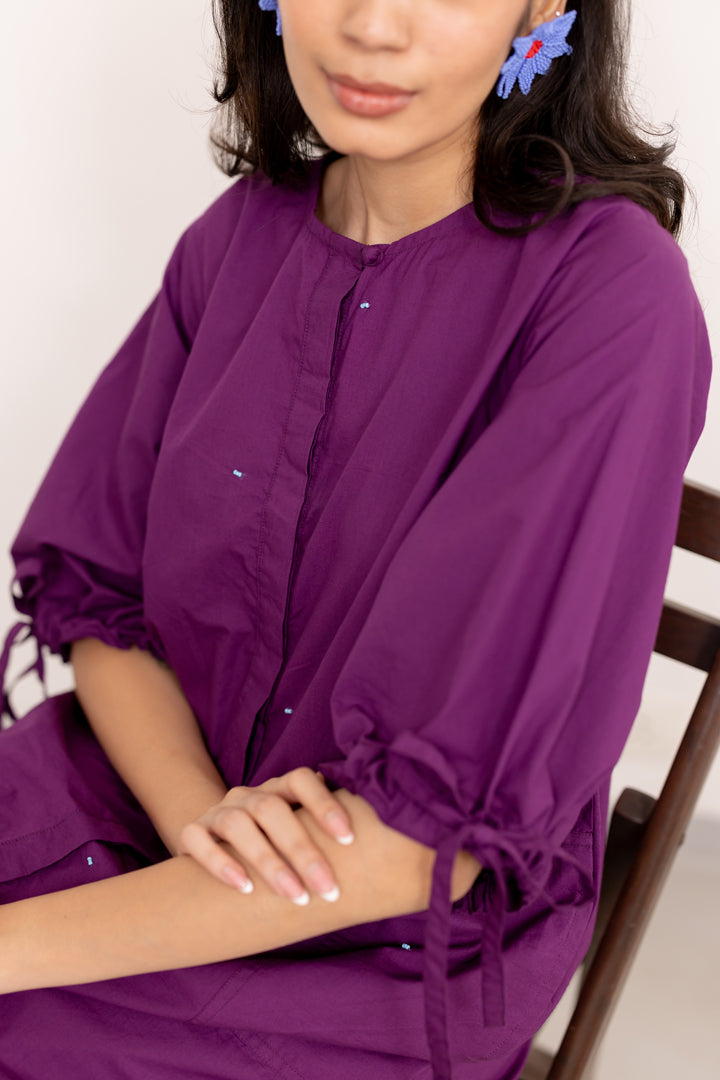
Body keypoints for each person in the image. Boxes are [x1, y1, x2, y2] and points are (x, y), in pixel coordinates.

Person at [0, 1, 713, 1078]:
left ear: (543, 10)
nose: (375, 25)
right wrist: (201, 813)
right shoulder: (241, 234)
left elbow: (420, 850)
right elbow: (103, 595)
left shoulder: (611, 294)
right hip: (138, 797)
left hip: (373, 946)